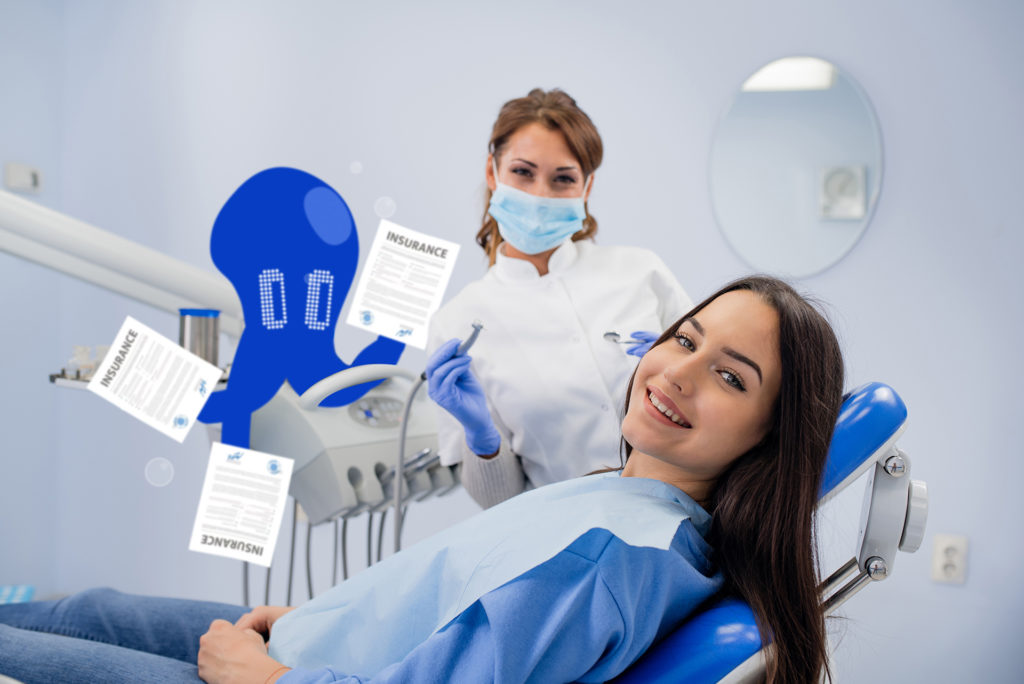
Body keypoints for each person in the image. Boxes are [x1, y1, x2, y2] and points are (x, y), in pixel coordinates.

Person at [0, 276, 843, 683]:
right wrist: (326, 616)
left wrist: (269, 678)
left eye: (732, 377)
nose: (678, 373)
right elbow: (466, 603)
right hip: (310, 643)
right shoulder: (631, 502)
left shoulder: (608, 556)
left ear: (775, 436)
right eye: (683, 338)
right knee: (87, 610)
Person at [427, 87, 693, 509]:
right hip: (572, 539)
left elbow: (718, 399)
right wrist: (481, 437)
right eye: (523, 172)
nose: (540, 195)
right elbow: (500, 502)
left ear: (587, 187)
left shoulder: (642, 272)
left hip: (692, 510)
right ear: (493, 173)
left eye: (563, 178)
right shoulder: (457, 324)